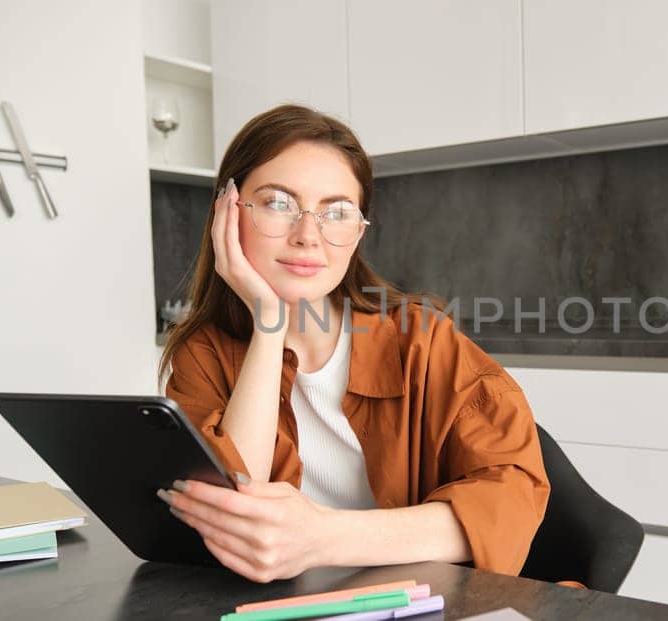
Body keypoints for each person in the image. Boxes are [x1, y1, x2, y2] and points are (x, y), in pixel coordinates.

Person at [156, 104, 550, 583]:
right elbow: (233, 517)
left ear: (358, 231)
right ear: (227, 212)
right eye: (279, 202)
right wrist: (268, 325)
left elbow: (511, 495)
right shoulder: (205, 353)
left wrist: (322, 535)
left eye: (337, 212)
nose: (308, 236)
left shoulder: (420, 343)